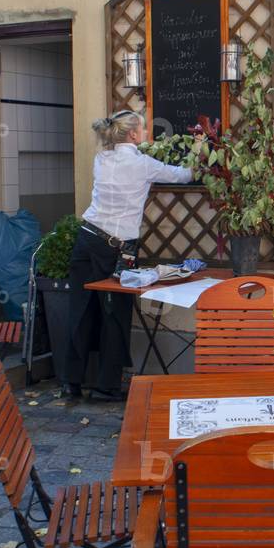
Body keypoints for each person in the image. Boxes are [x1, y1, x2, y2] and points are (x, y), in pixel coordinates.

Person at [62, 110, 192, 401]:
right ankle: (106, 386)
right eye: (144, 130)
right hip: (116, 248)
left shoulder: (102, 159)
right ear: (133, 134)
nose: (147, 134)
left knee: (80, 310)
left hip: (87, 239)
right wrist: (204, 163)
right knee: (114, 314)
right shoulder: (142, 164)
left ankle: (71, 382)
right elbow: (182, 175)